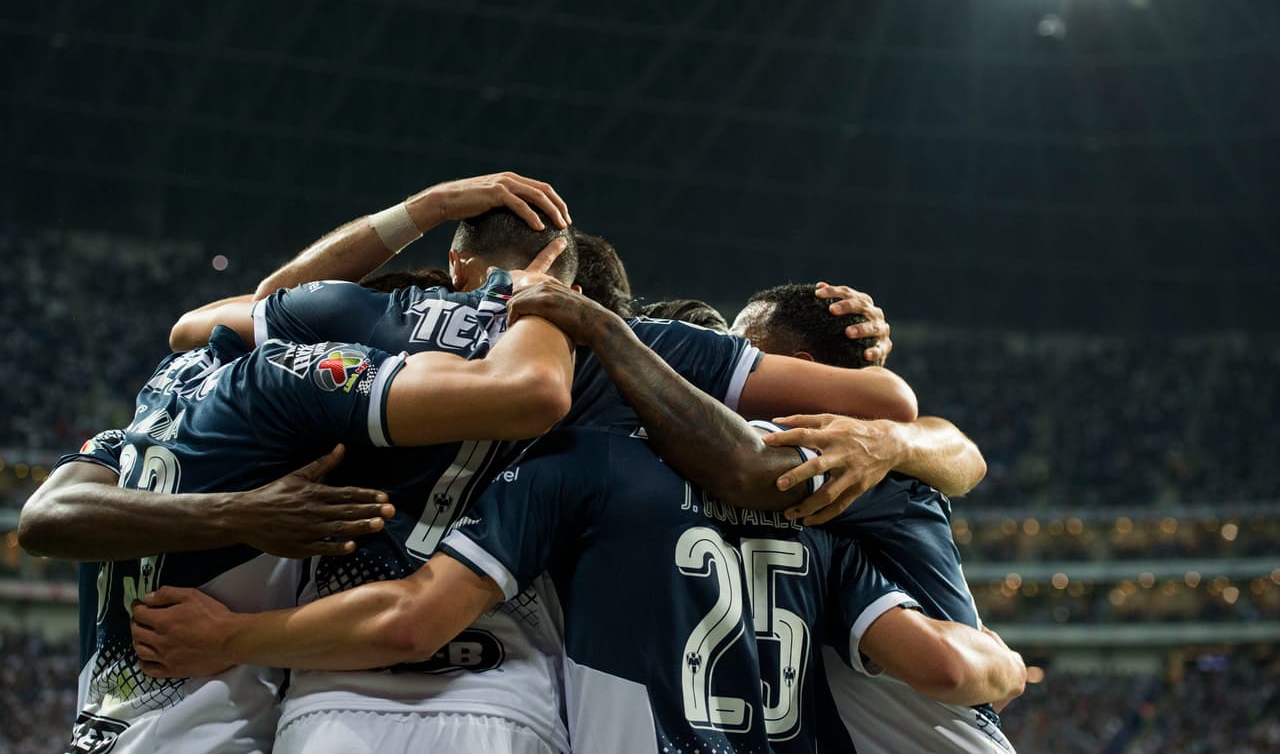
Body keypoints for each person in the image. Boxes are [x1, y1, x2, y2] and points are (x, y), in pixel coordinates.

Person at [129, 284, 1025, 753]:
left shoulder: (590, 472)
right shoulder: (832, 507)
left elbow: (414, 614)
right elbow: (948, 656)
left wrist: (236, 636)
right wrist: (1010, 665)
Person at [22, 248, 574, 754]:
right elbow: (529, 392)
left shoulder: (146, 418)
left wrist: (423, 210)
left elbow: (45, 521)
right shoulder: (283, 384)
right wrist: (534, 297)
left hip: (99, 736)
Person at [732, 283, 1019, 752]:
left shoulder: (841, 466)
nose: (730, 367)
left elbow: (945, 668)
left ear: (799, 370)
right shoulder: (881, 457)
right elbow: (964, 455)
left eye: (744, 353)